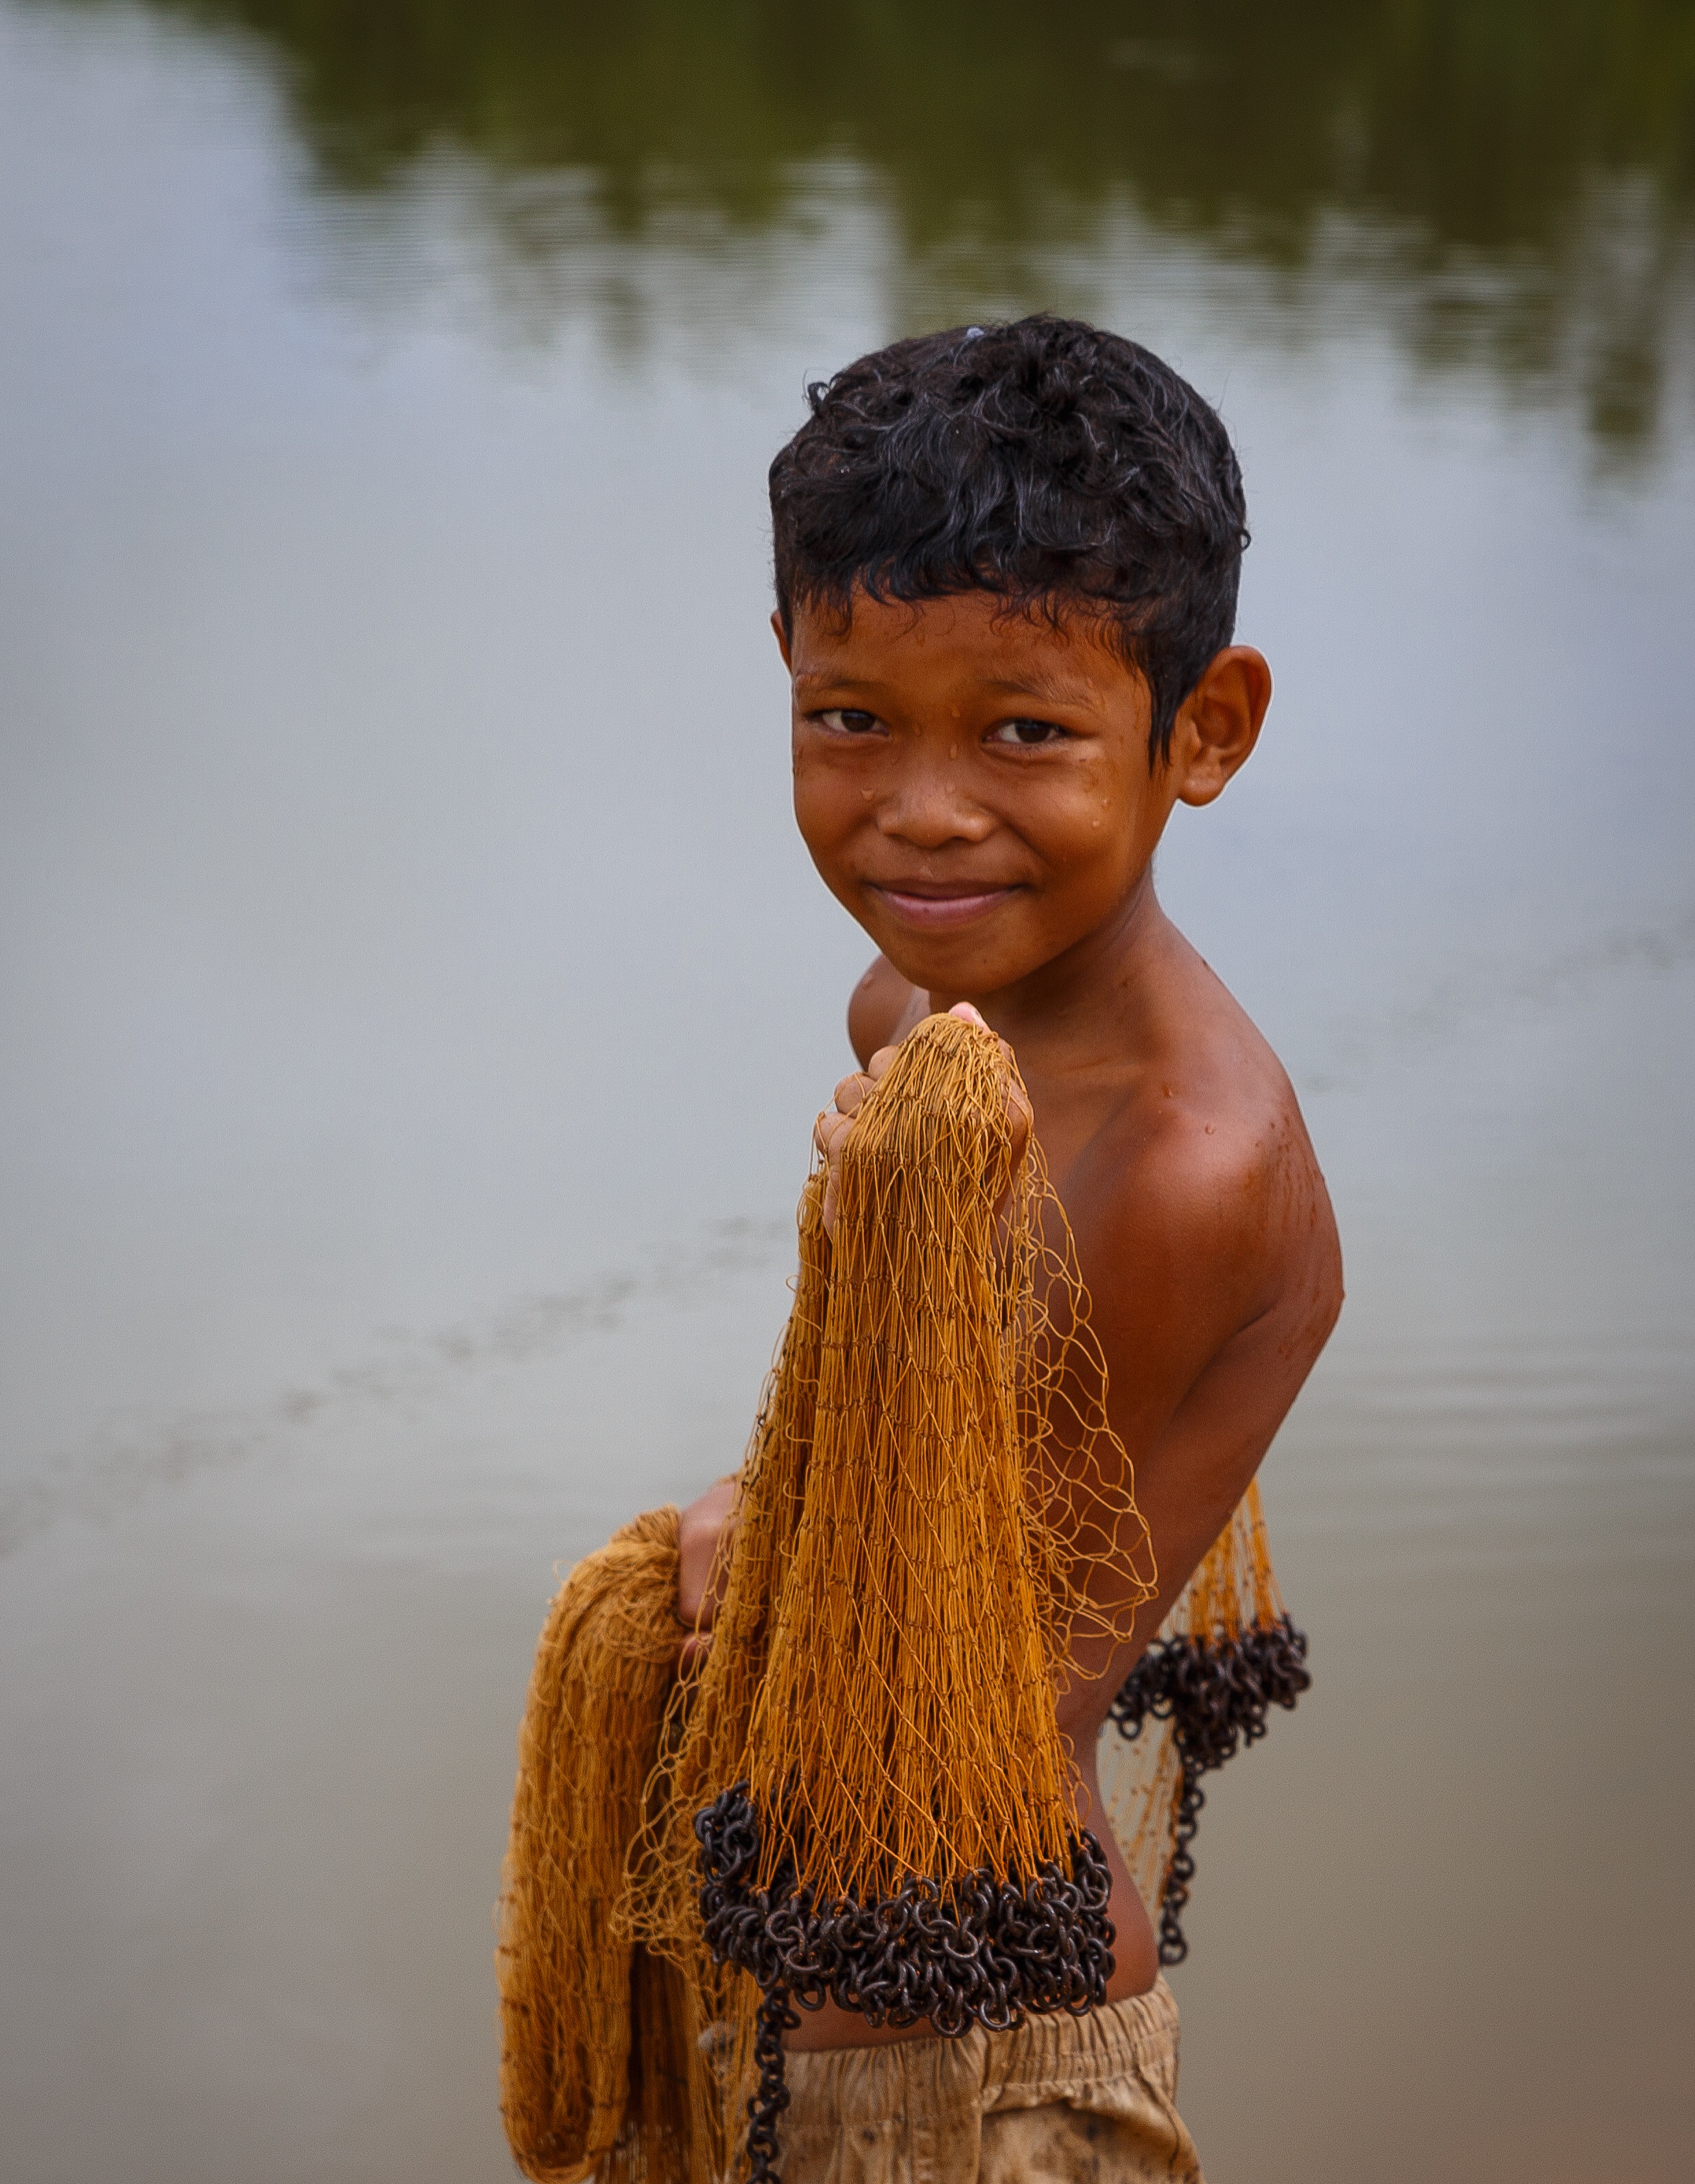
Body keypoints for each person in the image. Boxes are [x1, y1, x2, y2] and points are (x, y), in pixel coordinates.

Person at [676, 316, 1342, 2181]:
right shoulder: (916, 1013)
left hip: (972, 2068)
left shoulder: (1177, 1170)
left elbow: (940, 1668)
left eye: (1025, 733)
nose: (920, 808)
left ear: (1196, 731)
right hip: (820, 1986)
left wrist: (765, 1505)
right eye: (848, 718)